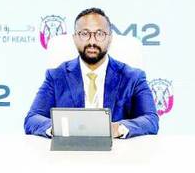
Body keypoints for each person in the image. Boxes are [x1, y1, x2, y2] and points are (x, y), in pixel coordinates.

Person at [24, 7, 159, 138]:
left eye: (100, 34)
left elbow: (151, 119)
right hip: (69, 151)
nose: (92, 41)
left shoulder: (133, 78)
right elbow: (32, 118)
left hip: (117, 151)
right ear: (75, 38)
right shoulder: (56, 76)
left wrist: (117, 128)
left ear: (110, 38)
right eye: (85, 34)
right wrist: (60, 128)